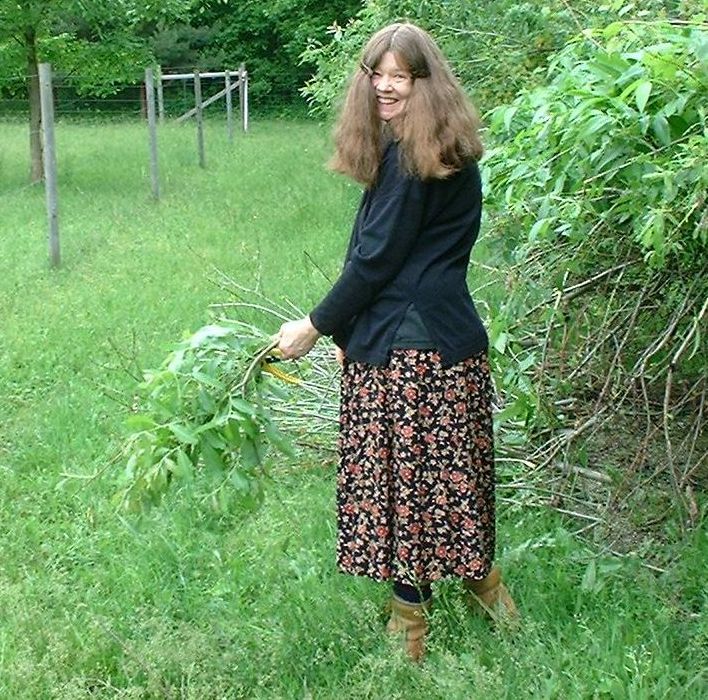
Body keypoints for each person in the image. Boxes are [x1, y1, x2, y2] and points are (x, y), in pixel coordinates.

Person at [276, 22, 517, 662]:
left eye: (399, 76)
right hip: (437, 341)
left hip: (416, 354)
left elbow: (376, 263)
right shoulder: (433, 146)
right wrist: (356, 331)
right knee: (450, 482)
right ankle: (489, 592)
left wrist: (316, 324)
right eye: (375, 73)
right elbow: (395, 261)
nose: (384, 86)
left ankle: (411, 624)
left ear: (423, 83)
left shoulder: (413, 160)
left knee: (405, 492)